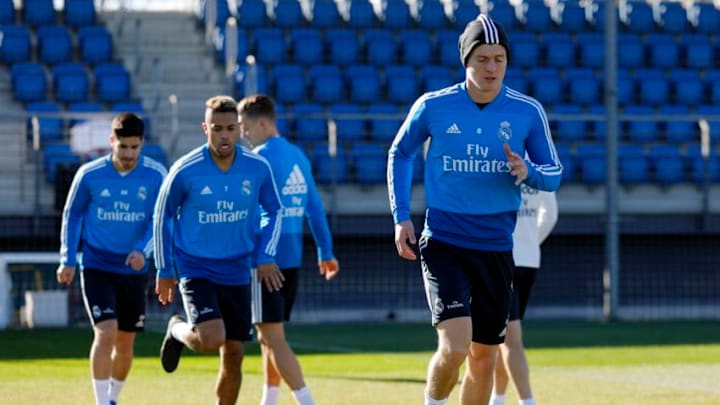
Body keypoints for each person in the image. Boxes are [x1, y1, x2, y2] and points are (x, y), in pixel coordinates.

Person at [386, 14, 563, 405]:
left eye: (499, 58)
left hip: (498, 249)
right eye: (482, 58)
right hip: (444, 241)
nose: (491, 67)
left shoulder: (527, 111)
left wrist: (528, 170)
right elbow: (400, 152)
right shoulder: (434, 106)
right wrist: (401, 216)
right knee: (454, 346)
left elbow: (553, 174)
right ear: (466, 60)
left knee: (484, 359)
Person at [153, 95, 284, 405]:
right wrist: (164, 268)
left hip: (238, 271)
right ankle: (177, 330)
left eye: (229, 128)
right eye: (216, 129)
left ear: (239, 128)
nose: (224, 135)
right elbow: (162, 216)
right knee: (211, 339)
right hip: (196, 268)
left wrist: (265, 255)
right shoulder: (186, 170)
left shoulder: (257, 167)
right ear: (205, 129)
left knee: (235, 354)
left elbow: (274, 210)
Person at [56, 112, 167, 405]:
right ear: (111, 142)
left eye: (134, 147)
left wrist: (144, 252)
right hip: (97, 264)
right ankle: (101, 402)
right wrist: (67, 258)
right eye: (123, 147)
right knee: (106, 332)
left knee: (126, 344)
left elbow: (161, 219)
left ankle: (113, 398)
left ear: (142, 142)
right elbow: (73, 214)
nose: (129, 154)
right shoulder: (89, 174)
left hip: (133, 269)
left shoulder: (156, 175)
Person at [237, 94, 339, 405]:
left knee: (272, 338)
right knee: (272, 336)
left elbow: (251, 213)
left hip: (265, 261)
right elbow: (315, 208)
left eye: (244, 126)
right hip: (292, 257)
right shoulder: (298, 156)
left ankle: (306, 400)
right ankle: (269, 399)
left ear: (263, 123)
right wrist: (325, 251)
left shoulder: (259, 160)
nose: (242, 133)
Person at [490, 187, 558, 405]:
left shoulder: (495, 161)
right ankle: (497, 398)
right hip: (529, 261)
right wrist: (529, 241)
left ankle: (527, 401)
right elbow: (550, 215)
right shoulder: (540, 162)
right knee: (506, 333)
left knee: (510, 339)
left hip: (502, 259)